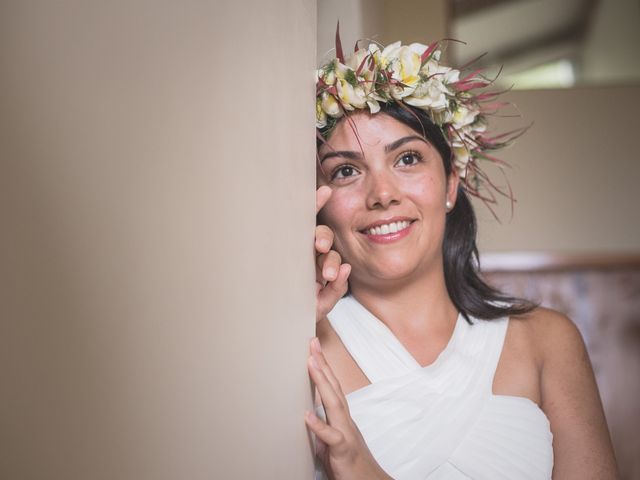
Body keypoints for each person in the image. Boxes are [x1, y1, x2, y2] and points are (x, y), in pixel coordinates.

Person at [305, 38, 619, 479]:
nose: (382, 195)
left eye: (407, 159)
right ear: (320, 203)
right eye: (346, 171)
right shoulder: (303, 344)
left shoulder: (547, 342)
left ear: (451, 184)